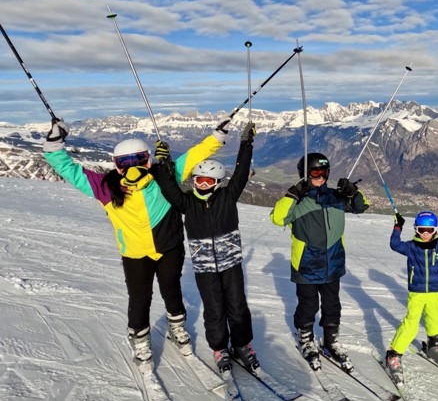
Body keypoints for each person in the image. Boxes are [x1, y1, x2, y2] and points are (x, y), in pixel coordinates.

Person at [41, 117, 228, 371]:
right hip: (135, 254)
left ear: (148, 160)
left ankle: (177, 327)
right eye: (124, 163)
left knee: (171, 290)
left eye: (137, 160)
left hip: (168, 249)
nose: (132, 167)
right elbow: (67, 168)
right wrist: (54, 142)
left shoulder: (165, 177)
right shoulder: (106, 188)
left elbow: (195, 155)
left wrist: (218, 136)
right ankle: (139, 339)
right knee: (140, 298)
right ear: (116, 166)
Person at [153, 123, 258, 374]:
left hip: (230, 263)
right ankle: (220, 347)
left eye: (208, 180)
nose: (202, 183)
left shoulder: (227, 197)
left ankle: (242, 344)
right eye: (199, 179)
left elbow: (241, 173)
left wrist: (246, 144)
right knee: (214, 309)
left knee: (237, 305)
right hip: (204, 267)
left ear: (217, 182)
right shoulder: (187, 203)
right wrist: (161, 163)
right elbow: (168, 188)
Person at [269, 153, 369, 371]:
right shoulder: (299, 202)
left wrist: (353, 193)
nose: (320, 177)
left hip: (332, 262)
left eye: (324, 172)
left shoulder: (336, 198)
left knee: (332, 304)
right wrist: (292, 194)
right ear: (305, 175)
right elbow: (277, 218)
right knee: (308, 304)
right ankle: (306, 339)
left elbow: (361, 207)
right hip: (306, 263)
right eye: (315, 173)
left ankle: (331, 339)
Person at [384, 211, 438, 384]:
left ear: (435, 230)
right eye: (421, 230)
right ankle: (394, 354)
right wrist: (397, 227)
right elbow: (395, 245)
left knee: (434, 318)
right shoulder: (411, 247)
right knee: (411, 323)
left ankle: (433, 346)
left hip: (435, 290)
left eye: (429, 230)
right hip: (417, 291)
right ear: (416, 230)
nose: (425, 234)